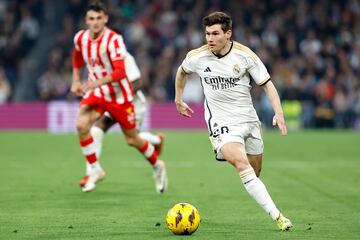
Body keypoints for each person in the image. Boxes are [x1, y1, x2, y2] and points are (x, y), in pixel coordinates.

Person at [174, 12, 293, 231]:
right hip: (221, 123)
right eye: (207, 33)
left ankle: (254, 184)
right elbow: (181, 72)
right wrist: (178, 98)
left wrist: (279, 113)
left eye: (216, 33)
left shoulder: (245, 56)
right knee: (241, 162)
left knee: (254, 172)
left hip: (248, 120)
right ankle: (279, 217)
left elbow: (267, 84)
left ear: (228, 34)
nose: (210, 38)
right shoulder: (197, 57)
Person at [71, 1, 167, 193]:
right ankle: (93, 169)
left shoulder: (115, 42)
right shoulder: (81, 38)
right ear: (86, 20)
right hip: (99, 93)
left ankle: (158, 164)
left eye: (99, 18)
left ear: (105, 19)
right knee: (83, 125)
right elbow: (78, 55)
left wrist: (95, 83)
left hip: (123, 97)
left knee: (132, 139)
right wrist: (75, 80)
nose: (95, 22)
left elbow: (122, 73)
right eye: (91, 18)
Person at [80, 52, 165, 187]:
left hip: (132, 104)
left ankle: (157, 140)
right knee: (98, 127)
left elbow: (137, 83)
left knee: (133, 139)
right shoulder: (98, 60)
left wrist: (120, 99)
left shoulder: (125, 58)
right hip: (112, 103)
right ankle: (92, 172)